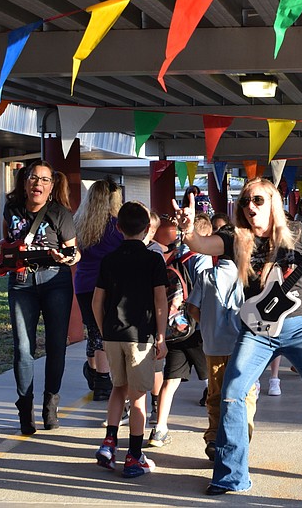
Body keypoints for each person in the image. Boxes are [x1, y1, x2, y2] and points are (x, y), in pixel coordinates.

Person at [175, 178, 302, 495]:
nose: (250, 207)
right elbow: (200, 246)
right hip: (257, 327)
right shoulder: (235, 236)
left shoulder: (296, 232)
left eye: (257, 200)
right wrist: (187, 231)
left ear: (272, 201)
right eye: (245, 202)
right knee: (231, 393)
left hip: (300, 324)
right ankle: (230, 476)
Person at [3, 160, 80, 434]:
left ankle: (51, 403)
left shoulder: (60, 213)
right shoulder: (11, 207)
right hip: (21, 282)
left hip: (54, 280)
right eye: (34, 178)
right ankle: (25, 409)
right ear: (25, 182)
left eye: (45, 180)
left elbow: (75, 253)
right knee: (23, 348)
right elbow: (8, 241)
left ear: (52, 186)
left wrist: (66, 257)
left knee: (55, 345)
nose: (38, 183)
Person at [93, 201, 168, 478]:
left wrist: (104, 330)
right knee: (138, 400)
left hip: (112, 334)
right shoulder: (153, 260)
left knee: (118, 388)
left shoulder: (109, 260)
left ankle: (109, 443)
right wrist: (161, 336)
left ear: (118, 227)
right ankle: (134, 456)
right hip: (141, 337)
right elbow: (160, 300)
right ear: (148, 228)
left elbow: (96, 300)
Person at [187, 223, 259, 462]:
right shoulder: (249, 275)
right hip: (243, 346)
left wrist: (208, 323)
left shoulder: (206, 275)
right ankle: (241, 438)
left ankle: (213, 438)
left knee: (216, 393)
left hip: (213, 345)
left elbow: (193, 308)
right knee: (245, 394)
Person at [147, 213, 212, 448]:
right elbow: (205, 292)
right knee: (213, 381)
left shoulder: (173, 256)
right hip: (196, 329)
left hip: (175, 328)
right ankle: (216, 429)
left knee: (170, 381)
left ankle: (159, 428)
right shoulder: (202, 258)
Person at [74, 178, 123, 402]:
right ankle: (103, 380)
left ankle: (93, 372)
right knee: (103, 332)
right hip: (107, 285)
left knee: (92, 330)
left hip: (83, 284)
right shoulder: (116, 227)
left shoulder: (78, 222)